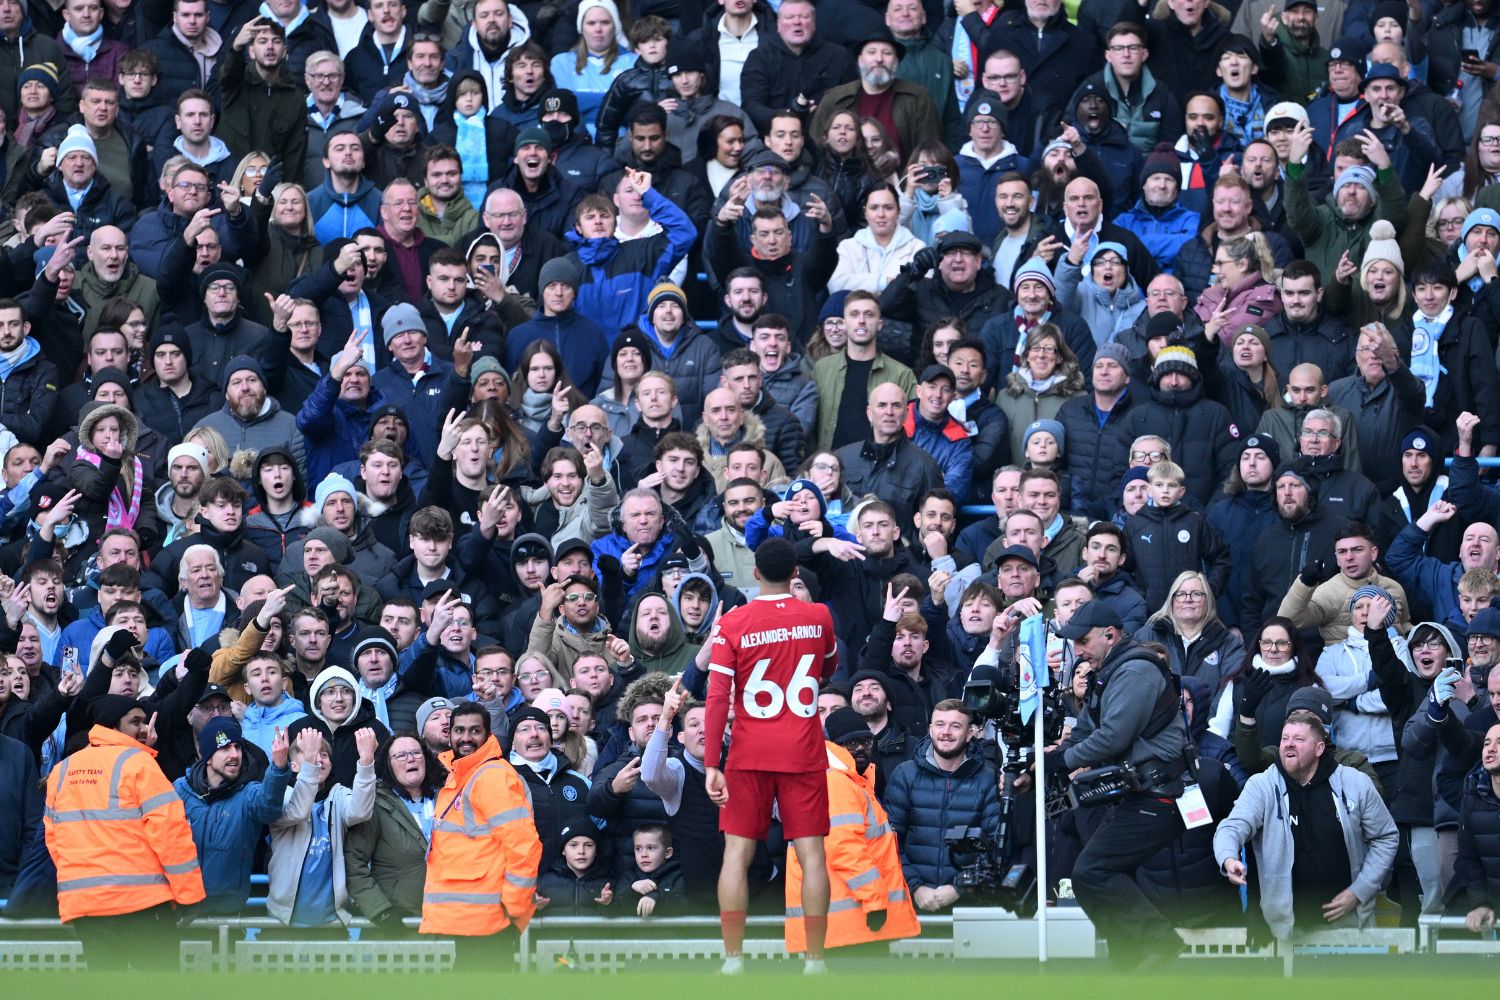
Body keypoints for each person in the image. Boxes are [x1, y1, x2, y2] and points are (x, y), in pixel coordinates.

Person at [704, 538, 838, 975]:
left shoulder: (735, 623)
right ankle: (815, 961)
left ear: (755, 573)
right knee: (812, 855)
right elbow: (828, 668)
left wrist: (710, 762)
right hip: (802, 750)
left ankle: (732, 960)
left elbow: (717, 695)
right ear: (795, 572)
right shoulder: (818, 617)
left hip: (749, 753)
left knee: (736, 856)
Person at [1043, 600, 1190, 970]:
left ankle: (1160, 944)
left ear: (1110, 635)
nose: (1077, 651)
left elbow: (1112, 737)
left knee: (1091, 872)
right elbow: (1086, 731)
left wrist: (1061, 761)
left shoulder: (1136, 669)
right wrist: (1047, 764)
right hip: (1138, 795)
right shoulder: (1108, 673)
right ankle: (1131, 961)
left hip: (1158, 795)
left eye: (1083, 641)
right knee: (1098, 877)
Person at [44, 701, 206, 968]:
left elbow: (54, 840)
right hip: (143, 904)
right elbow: (170, 833)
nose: (144, 728)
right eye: (135, 722)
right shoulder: (138, 763)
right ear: (112, 725)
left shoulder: (61, 771)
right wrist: (188, 896)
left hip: (87, 906)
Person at [1213, 710, 1398, 940]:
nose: (1289, 745)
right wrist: (1229, 858)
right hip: (1285, 933)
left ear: (1319, 748)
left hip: (1349, 928)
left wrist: (1360, 891)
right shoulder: (1262, 786)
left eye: (1299, 739)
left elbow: (1386, 837)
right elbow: (1231, 827)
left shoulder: (1354, 783)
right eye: (1285, 739)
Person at [419, 701, 542, 969]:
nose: (465, 738)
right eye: (459, 730)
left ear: (488, 735)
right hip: (469, 920)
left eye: (475, 731)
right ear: (449, 734)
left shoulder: (492, 776)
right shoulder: (461, 776)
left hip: (490, 922)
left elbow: (524, 847)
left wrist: (514, 909)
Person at [174, 718, 291, 915]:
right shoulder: (179, 790)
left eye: (237, 747)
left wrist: (278, 769)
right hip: (180, 905)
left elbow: (268, 809)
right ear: (208, 756)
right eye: (225, 748)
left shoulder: (248, 793)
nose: (235, 754)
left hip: (228, 910)